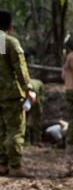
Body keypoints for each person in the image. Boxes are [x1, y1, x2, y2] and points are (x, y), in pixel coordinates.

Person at [0, 9, 35, 177]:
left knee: (1, 130)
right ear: (9, 25)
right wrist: (29, 88)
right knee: (14, 130)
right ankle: (15, 166)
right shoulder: (9, 42)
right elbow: (19, 68)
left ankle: (2, 164)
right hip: (11, 95)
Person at [26, 78, 44, 145]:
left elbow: (39, 97)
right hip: (27, 97)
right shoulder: (24, 84)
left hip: (36, 99)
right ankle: (27, 141)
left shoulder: (34, 86)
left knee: (36, 121)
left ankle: (37, 141)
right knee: (24, 121)